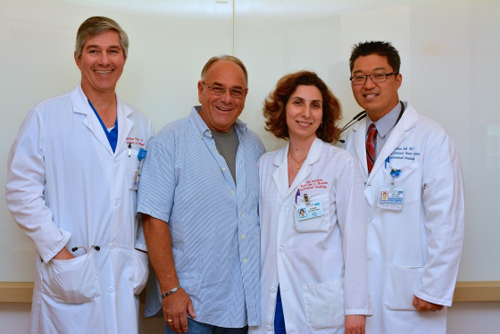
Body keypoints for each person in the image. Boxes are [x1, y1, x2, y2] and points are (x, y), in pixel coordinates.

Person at [5, 16, 153, 334]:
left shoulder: (139, 123)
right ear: (77, 57)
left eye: (113, 51)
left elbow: (149, 197)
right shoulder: (46, 117)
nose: (104, 60)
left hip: (122, 272)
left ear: (123, 59)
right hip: (70, 270)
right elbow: (21, 191)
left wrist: (140, 253)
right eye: (93, 51)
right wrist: (59, 252)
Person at [342, 41, 465, 333]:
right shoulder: (348, 139)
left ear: (397, 79)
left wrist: (435, 287)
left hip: (412, 291)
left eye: (378, 75)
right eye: (359, 77)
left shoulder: (431, 137)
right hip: (361, 297)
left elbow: (447, 217)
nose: (368, 84)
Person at [137, 55, 265, 334]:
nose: (227, 99)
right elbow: (152, 219)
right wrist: (171, 290)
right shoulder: (170, 141)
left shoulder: (254, 146)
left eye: (236, 91)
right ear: (201, 90)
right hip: (191, 306)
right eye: (218, 88)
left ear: (245, 96)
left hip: (244, 307)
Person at [249, 71, 371, 334]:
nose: (306, 113)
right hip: (271, 299)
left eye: (315, 105)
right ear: (282, 108)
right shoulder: (265, 165)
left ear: (323, 114)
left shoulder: (340, 163)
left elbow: (355, 240)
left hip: (320, 302)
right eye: (298, 102)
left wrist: (356, 310)